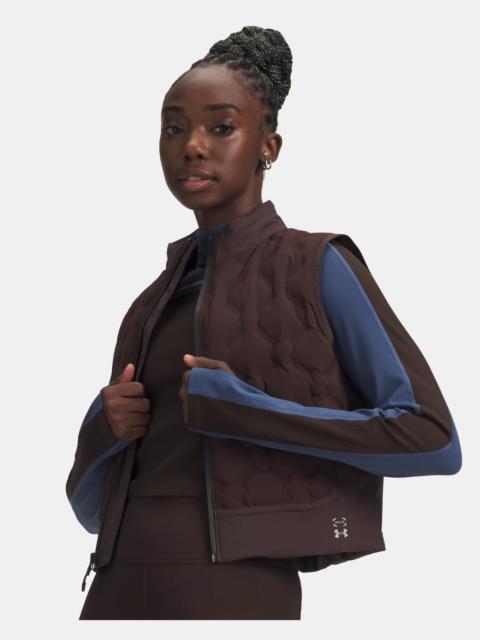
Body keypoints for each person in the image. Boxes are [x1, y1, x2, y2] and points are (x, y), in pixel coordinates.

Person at [66, 25, 462, 620]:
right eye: (173, 129)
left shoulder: (317, 265)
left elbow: (432, 439)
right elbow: (92, 511)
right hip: (115, 584)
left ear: (268, 146)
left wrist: (248, 412)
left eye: (220, 127)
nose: (192, 146)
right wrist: (103, 428)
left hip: (237, 589)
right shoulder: (149, 303)